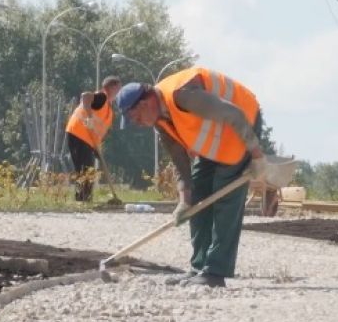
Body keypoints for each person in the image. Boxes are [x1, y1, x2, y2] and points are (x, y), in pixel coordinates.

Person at [116, 67, 265, 288]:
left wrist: (257, 157)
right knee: (198, 196)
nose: (138, 124)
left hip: (242, 126)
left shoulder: (183, 96)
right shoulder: (160, 121)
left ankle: (215, 271)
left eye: (136, 118)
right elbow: (180, 163)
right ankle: (199, 267)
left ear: (145, 104)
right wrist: (184, 201)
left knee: (226, 198)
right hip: (215, 139)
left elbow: (233, 114)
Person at [65, 76, 122, 201]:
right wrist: (89, 117)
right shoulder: (102, 97)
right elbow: (85, 96)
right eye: (119, 88)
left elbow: (99, 130)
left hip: (88, 140)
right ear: (112, 87)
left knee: (88, 170)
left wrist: (97, 147)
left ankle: (85, 199)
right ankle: (82, 199)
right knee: (84, 169)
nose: (120, 92)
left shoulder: (108, 107)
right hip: (78, 134)